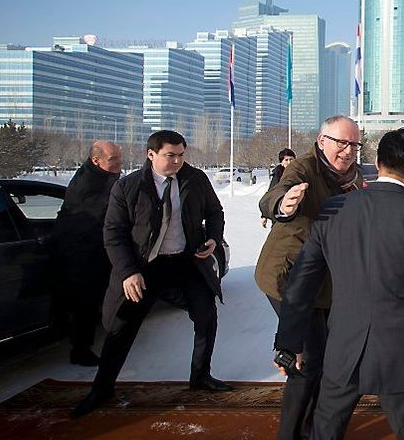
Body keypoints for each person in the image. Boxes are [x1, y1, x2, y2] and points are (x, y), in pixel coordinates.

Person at [274, 128, 404, 440]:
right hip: (403, 351)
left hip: (342, 349)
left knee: (325, 431)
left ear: (377, 164)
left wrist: (289, 343)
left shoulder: (333, 211)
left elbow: (301, 283)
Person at [72, 130, 231, 418]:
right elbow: (114, 234)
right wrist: (128, 272)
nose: (178, 161)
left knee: (206, 315)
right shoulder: (129, 187)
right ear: (151, 154)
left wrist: (213, 238)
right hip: (145, 267)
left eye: (182, 154)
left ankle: (200, 376)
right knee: (122, 327)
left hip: (186, 262)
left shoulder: (195, 180)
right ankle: (101, 388)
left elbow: (215, 211)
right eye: (171, 155)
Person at [256, 116, 363, 440]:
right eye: (341, 143)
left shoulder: (355, 177)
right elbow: (275, 196)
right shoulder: (303, 168)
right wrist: (284, 205)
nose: (348, 151)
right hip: (287, 278)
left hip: (324, 283)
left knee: (326, 358)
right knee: (306, 363)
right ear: (321, 141)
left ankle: (314, 428)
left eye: (354, 145)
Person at [52, 140, 122, 366]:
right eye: (114, 159)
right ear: (96, 160)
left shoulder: (104, 176)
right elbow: (109, 212)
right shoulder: (85, 185)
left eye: (119, 158)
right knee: (85, 302)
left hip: (94, 249)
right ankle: (80, 350)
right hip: (79, 253)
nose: (119, 163)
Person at [262, 148, 297, 228]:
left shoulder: (300, 173)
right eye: (286, 160)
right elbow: (270, 194)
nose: (289, 162)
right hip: (279, 211)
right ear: (281, 162)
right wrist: (265, 215)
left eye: (291, 159)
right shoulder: (277, 175)